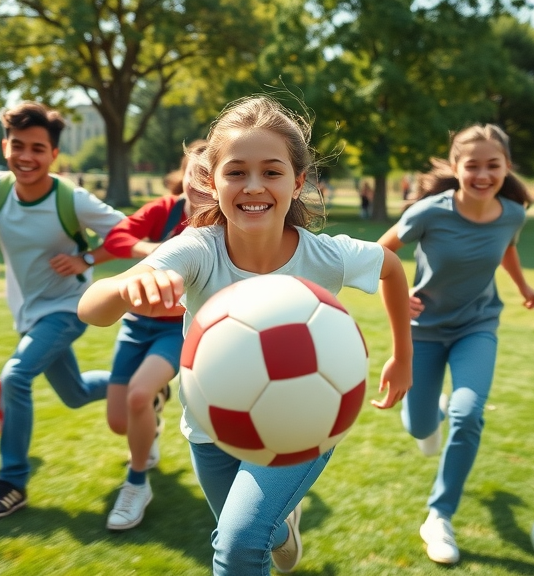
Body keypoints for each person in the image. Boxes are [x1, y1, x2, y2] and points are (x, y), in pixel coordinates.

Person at [78, 95, 413, 575]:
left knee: (237, 544)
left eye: (272, 172)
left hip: (305, 424)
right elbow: (92, 308)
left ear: (297, 182)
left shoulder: (328, 256)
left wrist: (403, 356)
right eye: (236, 172)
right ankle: (283, 527)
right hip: (212, 427)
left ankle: (272, 524)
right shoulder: (197, 250)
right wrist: (127, 285)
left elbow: (392, 268)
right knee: (260, 531)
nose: (253, 186)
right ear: (211, 183)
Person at [0, 101, 126, 519]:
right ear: (5, 146)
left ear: (54, 154)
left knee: (15, 376)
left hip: (69, 307)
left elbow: (127, 232)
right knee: (74, 393)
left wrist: (87, 260)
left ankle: (12, 483)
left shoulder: (71, 199)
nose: (27, 157)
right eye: (18, 145)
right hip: (28, 312)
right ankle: (135, 387)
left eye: (38, 148)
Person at [377, 124, 534, 565]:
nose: (483, 174)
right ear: (455, 168)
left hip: (477, 326)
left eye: (493, 165)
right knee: (418, 427)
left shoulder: (512, 214)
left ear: (507, 167)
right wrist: (395, 290)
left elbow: (506, 248)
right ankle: (436, 411)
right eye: (473, 165)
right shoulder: (429, 212)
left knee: (469, 414)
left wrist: (523, 286)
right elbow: (381, 252)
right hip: (424, 332)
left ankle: (439, 515)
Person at [97, 140, 208, 531]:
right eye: (195, 173)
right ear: (184, 174)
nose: (201, 183)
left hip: (176, 329)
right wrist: (157, 249)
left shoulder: (221, 224)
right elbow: (115, 240)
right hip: (134, 324)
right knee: (118, 421)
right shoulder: (164, 210)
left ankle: (137, 483)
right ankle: (152, 417)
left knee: (138, 395)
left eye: (211, 174)